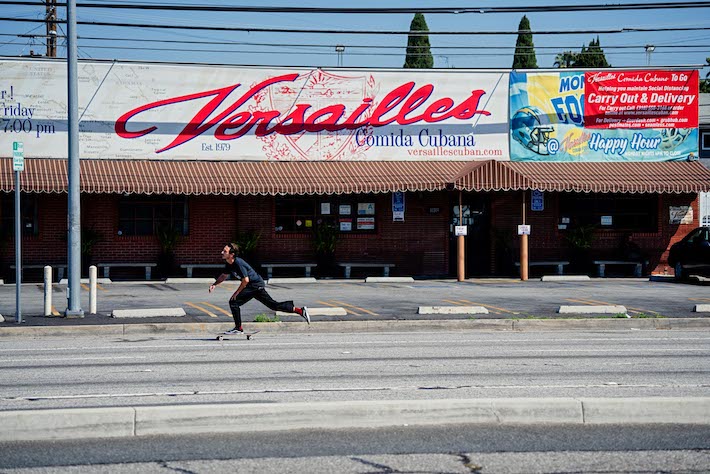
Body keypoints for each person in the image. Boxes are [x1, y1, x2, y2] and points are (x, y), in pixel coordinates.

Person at [209, 243, 310, 334]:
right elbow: (223, 275)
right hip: (254, 286)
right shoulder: (229, 264)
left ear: (232, 254)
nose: (222, 252)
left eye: (225, 251)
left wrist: (237, 292)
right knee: (273, 305)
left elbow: (246, 280)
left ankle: (238, 328)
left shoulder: (238, 263)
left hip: (255, 285)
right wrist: (215, 284)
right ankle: (300, 311)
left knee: (234, 302)